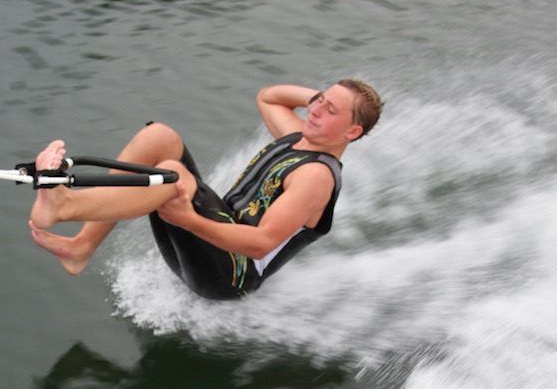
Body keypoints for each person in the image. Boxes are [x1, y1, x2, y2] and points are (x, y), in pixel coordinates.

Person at [28, 80, 383, 299]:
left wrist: (189, 220)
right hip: (216, 239)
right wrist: (326, 101)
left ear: (351, 132)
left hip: (229, 276)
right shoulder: (299, 136)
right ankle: (82, 246)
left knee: (171, 174)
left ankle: (66, 205)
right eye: (318, 100)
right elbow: (269, 97)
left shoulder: (315, 178)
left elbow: (261, 243)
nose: (316, 109)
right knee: (160, 138)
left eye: (329, 109)